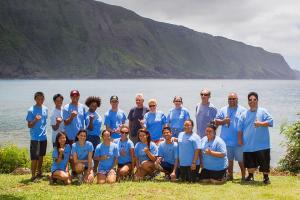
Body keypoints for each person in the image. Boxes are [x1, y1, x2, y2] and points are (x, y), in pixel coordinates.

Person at [238, 92, 273, 184]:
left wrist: (260, 124)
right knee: (250, 163)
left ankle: (266, 178)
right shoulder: (244, 114)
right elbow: (240, 129)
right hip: (248, 144)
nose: (252, 101)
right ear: (248, 102)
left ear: (257, 101)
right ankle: (250, 176)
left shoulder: (263, 111)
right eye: (250, 100)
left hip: (262, 144)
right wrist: (240, 139)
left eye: (254, 100)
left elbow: (271, 122)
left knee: (264, 163)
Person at [215, 92, 246, 181]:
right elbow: (216, 121)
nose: (232, 100)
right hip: (226, 140)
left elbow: (246, 124)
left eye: (234, 99)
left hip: (239, 140)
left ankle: (244, 176)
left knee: (241, 160)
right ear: (228, 100)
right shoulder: (223, 110)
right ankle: (230, 176)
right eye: (230, 99)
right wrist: (223, 121)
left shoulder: (243, 110)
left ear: (237, 99)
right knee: (229, 160)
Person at [26, 91, 48, 181]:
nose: (40, 100)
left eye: (42, 98)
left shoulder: (45, 109)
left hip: (44, 137)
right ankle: (33, 175)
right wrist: (35, 119)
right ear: (35, 99)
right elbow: (29, 125)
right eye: (38, 98)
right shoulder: (31, 110)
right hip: (35, 137)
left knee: (41, 156)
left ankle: (39, 173)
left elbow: (44, 123)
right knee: (34, 157)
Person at [85, 96, 102, 171]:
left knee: (96, 154)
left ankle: (95, 170)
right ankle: (88, 170)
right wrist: (91, 120)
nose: (94, 107)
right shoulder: (87, 114)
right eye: (92, 105)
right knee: (89, 154)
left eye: (95, 106)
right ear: (88, 105)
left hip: (97, 137)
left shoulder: (97, 114)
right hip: (89, 137)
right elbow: (90, 128)